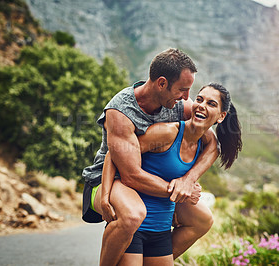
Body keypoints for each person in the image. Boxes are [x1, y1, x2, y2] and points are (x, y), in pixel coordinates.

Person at [82, 48, 219, 265]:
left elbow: (212, 144)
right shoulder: (121, 112)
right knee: (133, 215)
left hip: (149, 184)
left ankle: (152, 258)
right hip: (108, 180)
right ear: (162, 83)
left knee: (202, 219)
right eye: (183, 90)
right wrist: (179, 191)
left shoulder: (179, 105)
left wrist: (189, 180)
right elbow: (130, 176)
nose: (187, 98)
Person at [94, 83, 242, 265]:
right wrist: (106, 196)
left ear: (221, 117)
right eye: (199, 99)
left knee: (204, 219)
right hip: (133, 227)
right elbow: (114, 152)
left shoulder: (205, 146)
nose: (202, 105)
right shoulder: (167, 132)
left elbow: (214, 149)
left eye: (211, 104)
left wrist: (188, 182)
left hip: (161, 230)